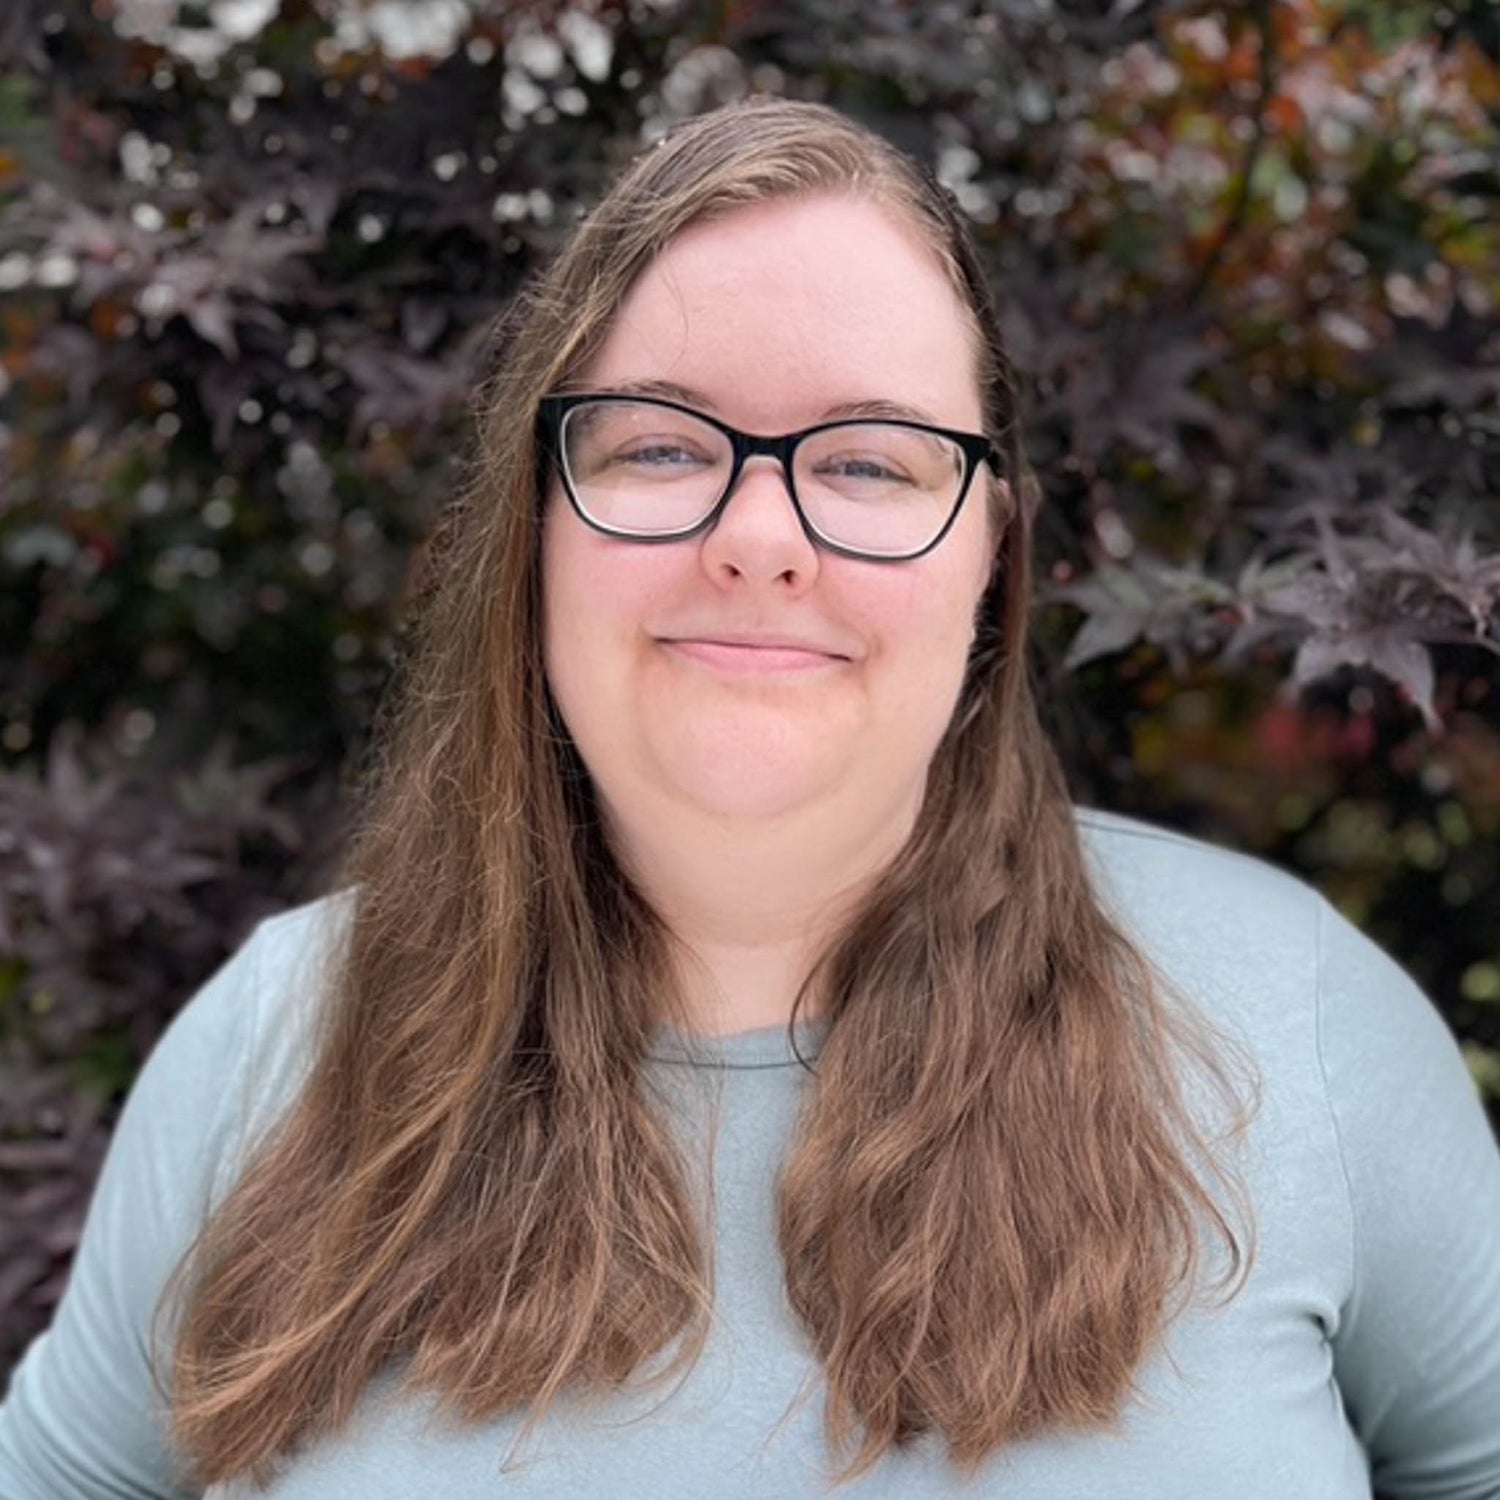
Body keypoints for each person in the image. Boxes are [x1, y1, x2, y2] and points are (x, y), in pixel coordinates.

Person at [2, 95, 1498, 1500]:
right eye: (661, 444)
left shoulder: (1296, 1020)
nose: (760, 536)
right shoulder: (277, 1044)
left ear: (991, 555)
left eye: (868, 461)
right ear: (535, 527)